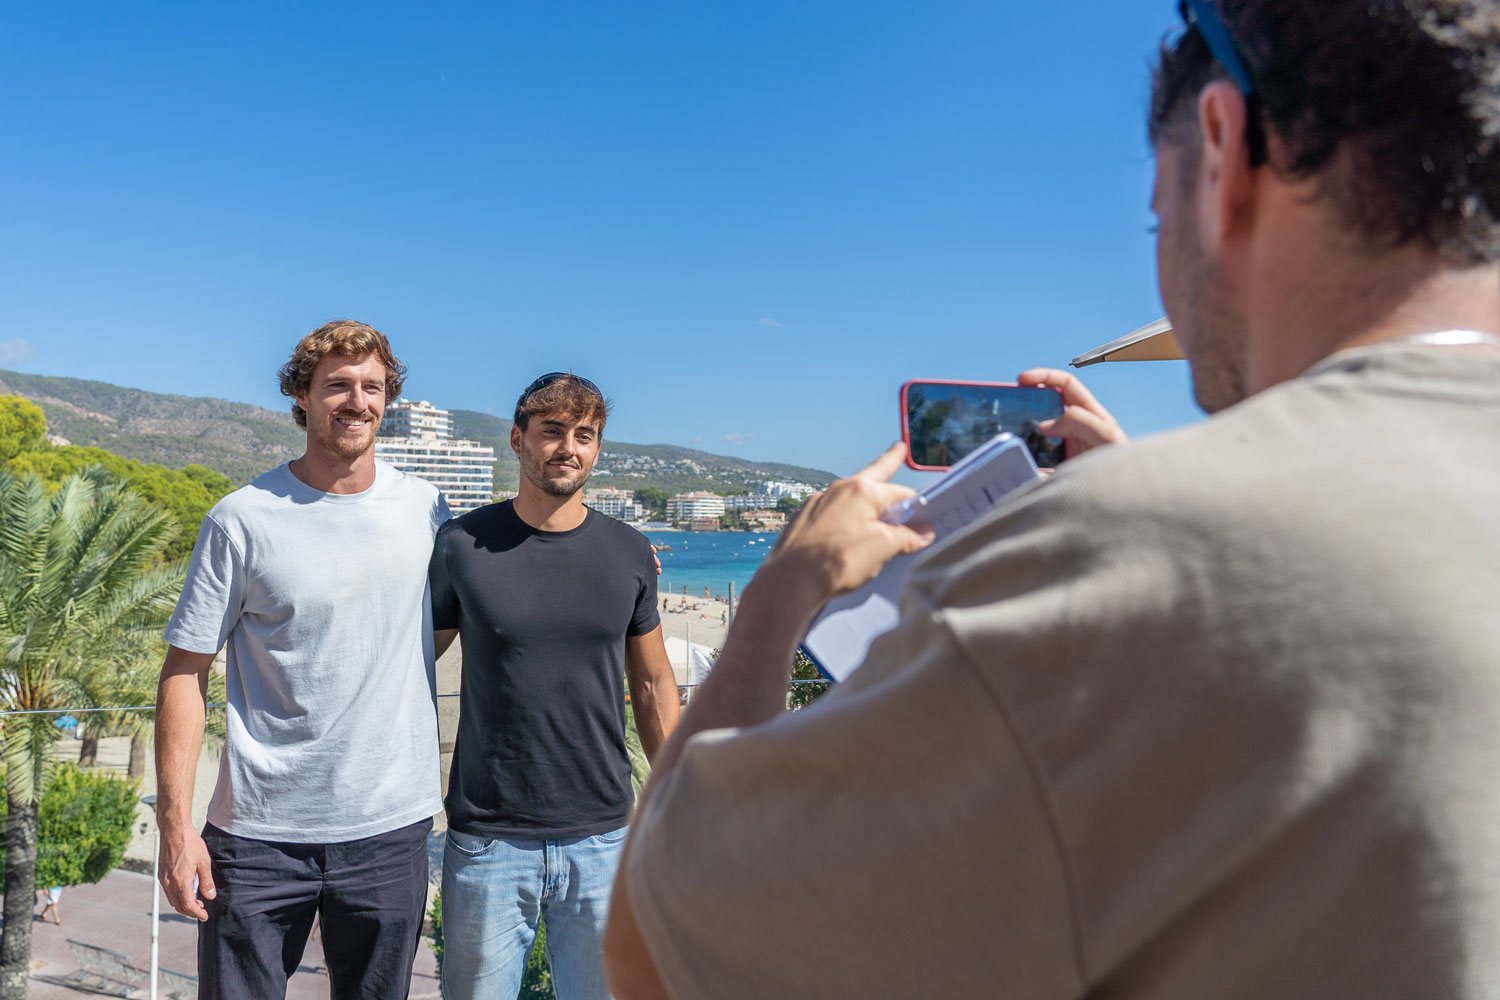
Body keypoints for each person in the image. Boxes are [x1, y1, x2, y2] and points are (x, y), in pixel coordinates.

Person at [604, 2, 1500, 997]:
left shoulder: (1124, 557)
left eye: (1162, 218)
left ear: (1223, 144)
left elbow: (654, 952)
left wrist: (784, 588)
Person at [155, 320, 449, 999]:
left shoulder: (425, 510)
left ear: (388, 400)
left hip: (388, 831)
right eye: (338, 386)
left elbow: (498, 577)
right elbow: (183, 672)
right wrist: (175, 830)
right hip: (256, 837)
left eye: (372, 387)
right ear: (301, 397)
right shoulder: (242, 518)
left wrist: (616, 555)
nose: (357, 402)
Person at [430, 372, 681, 1000]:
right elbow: (406, 667)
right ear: (517, 440)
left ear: (597, 450)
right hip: (488, 839)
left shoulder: (628, 553)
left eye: (584, 435)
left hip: (603, 837)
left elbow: (652, 685)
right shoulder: (461, 546)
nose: (567, 446)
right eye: (551, 432)